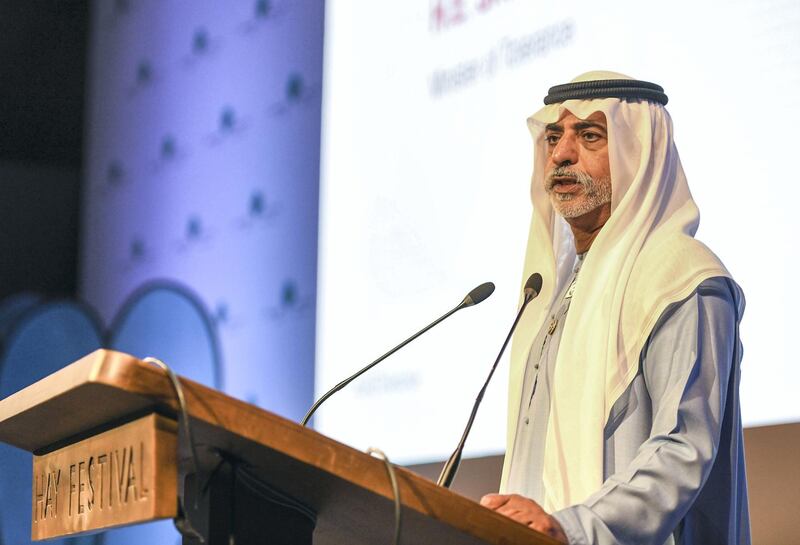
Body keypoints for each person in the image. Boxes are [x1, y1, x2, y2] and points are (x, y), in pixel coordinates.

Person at [479, 71, 750, 545]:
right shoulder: (553, 293)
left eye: (589, 135)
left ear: (637, 153)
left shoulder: (682, 277)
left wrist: (571, 528)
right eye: (553, 136)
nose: (561, 154)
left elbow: (683, 450)